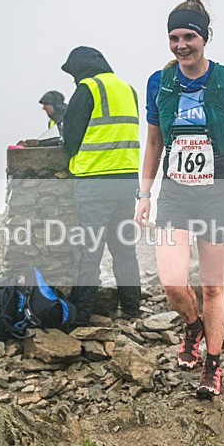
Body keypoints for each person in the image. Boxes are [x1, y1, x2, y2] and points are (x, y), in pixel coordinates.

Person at [134, 0, 224, 399]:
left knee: (213, 286)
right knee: (173, 284)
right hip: (175, 191)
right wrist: (144, 193)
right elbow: (154, 141)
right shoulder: (159, 82)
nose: (180, 45)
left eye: (188, 36)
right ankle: (191, 325)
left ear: (204, 38)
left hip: (218, 190)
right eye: (173, 37)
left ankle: (213, 365)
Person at [60, 47, 142, 324]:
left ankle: (80, 315)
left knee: (88, 252)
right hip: (127, 180)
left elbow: (70, 139)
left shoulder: (88, 89)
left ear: (80, 69)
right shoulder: (128, 89)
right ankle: (132, 307)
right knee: (124, 249)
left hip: (96, 183)